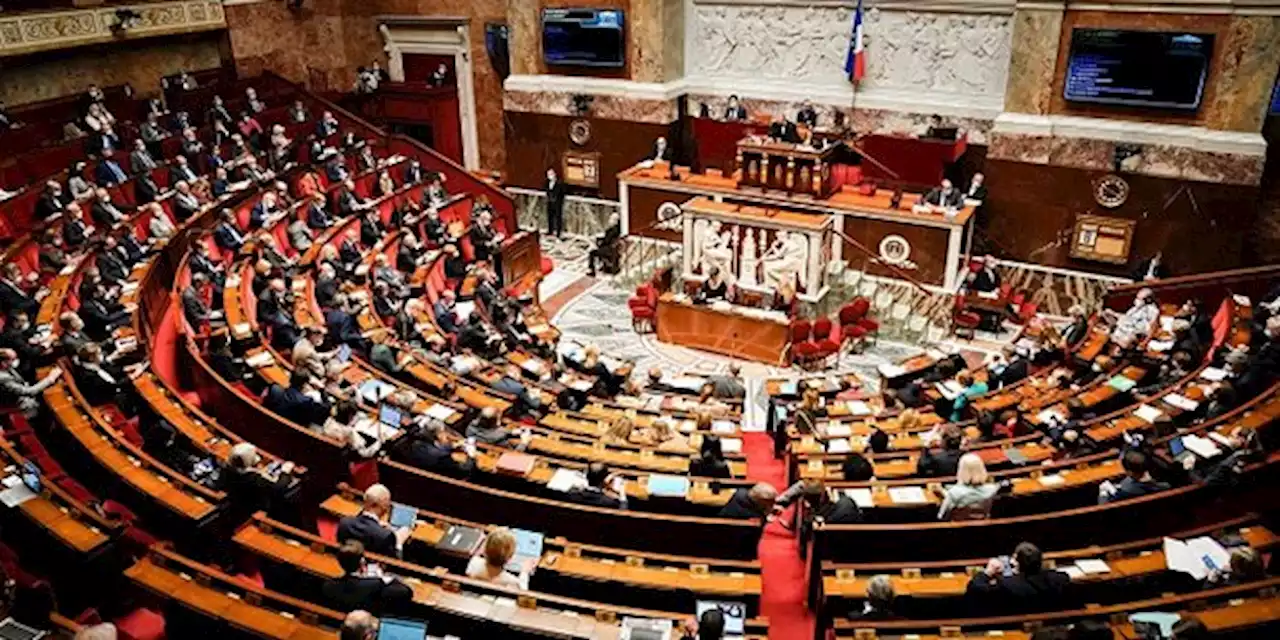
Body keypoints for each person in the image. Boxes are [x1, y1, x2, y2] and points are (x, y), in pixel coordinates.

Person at [965, 542, 1071, 614]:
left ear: (1015, 562)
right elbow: (1061, 576)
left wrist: (987, 572)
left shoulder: (1007, 585)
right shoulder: (1060, 579)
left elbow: (975, 588)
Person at [322, 540, 413, 615]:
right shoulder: (376, 584)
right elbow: (407, 592)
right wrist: (384, 578)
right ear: (362, 562)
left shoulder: (328, 585)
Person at [222, 443, 297, 517]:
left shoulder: (227, 470)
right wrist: (285, 472)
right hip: (256, 509)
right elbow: (278, 488)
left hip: (240, 503)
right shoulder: (253, 479)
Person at [338, 484, 411, 558]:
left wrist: (377, 526)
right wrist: (398, 542)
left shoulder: (344, 523)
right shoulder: (385, 536)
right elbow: (395, 563)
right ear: (384, 506)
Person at [0, 349, 62, 418]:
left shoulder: (6, 368)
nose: (15, 362)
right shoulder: (3, 378)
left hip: (27, 394)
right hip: (24, 407)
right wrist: (50, 379)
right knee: (55, 405)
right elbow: (29, 392)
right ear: (3, 362)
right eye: (12, 359)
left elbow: (22, 382)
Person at [938, 453, 1002, 520]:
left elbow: (942, 516)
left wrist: (945, 495)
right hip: (985, 528)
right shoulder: (993, 489)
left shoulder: (953, 493)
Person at [403, 420, 475, 478]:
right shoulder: (441, 455)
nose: (446, 434)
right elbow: (465, 467)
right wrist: (471, 455)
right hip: (441, 472)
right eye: (443, 432)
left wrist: (452, 445)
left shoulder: (418, 442)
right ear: (439, 435)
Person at [466, 528, 534, 589]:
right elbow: (523, 590)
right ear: (510, 557)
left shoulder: (473, 563)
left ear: (484, 550)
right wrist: (525, 572)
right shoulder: (513, 582)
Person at [1098, 449, 1170, 504]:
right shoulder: (1164, 486)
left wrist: (1103, 492)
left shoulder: (1127, 493)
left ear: (1129, 472)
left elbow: (1103, 508)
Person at [264, 370, 330, 427]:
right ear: (304, 385)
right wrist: (322, 389)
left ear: (289, 378)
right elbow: (327, 408)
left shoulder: (274, 389)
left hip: (264, 425)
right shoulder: (307, 402)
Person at [545, 168, 565, 238]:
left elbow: (562, 194)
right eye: (548, 174)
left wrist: (558, 200)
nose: (550, 176)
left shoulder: (559, 183)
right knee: (550, 217)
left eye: (551, 174)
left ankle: (558, 233)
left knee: (558, 218)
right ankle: (550, 231)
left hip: (557, 204)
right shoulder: (547, 183)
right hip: (550, 202)